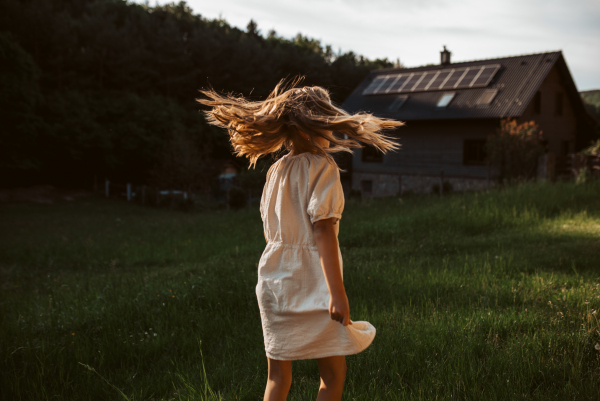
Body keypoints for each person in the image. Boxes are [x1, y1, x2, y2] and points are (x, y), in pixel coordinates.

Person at [198, 79, 402, 401]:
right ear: (315, 124)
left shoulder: (275, 171)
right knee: (333, 376)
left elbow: (270, 227)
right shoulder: (323, 167)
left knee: (277, 378)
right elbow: (322, 230)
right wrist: (337, 294)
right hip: (311, 284)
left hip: (273, 282)